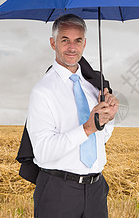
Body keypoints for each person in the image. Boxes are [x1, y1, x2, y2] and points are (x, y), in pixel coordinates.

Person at [26, 14, 119, 218]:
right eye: (65, 40)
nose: (72, 47)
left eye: (77, 40)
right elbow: (43, 152)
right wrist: (87, 128)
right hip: (59, 192)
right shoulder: (43, 91)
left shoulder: (94, 87)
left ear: (84, 43)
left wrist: (107, 120)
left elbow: (100, 140)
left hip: (96, 190)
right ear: (53, 43)